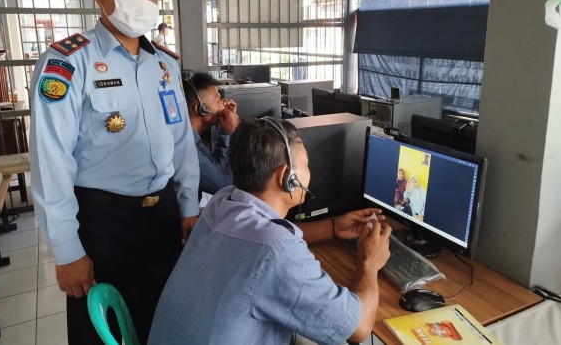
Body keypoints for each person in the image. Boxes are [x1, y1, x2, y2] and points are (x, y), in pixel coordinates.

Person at [29, 0, 200, 344]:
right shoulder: (68, 62)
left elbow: (182, 143)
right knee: (104, 331)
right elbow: (50, 160)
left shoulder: (165, 65)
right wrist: (68, 250)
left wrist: (189, 206)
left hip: (163, 218)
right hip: (102, 223)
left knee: (164, 322)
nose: (142, 4)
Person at [149, 118, 392, 345]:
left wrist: (332, 227)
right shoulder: (278, 251)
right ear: (287, 177)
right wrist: (369, 262)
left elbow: (264, 238)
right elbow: (358, 329)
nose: (309, 171)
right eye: (306, 164)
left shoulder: (222, 201)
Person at [182, 72, 239, 197]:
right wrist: (233, 132)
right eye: (218, 100)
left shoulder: (191, 137)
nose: (223, 104)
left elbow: (218, 166)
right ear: (201, 109)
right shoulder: (188, 150)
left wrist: (225, 131)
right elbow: (225, 186)